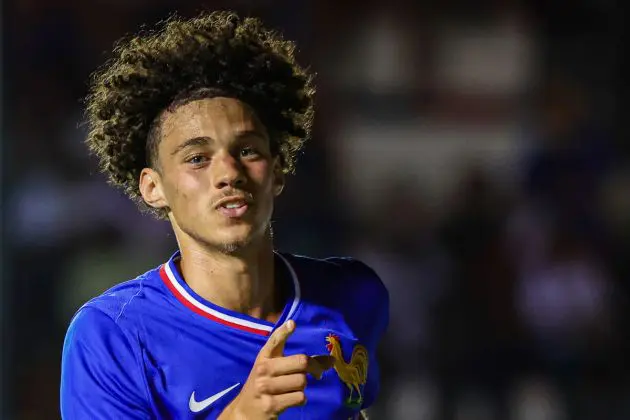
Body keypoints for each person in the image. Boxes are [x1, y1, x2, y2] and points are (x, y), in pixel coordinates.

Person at [60, 10, 389, 420]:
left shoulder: (353, 295)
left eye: (248, 150)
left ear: (278, 170)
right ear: (153, 187)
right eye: (197, 158)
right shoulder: (113, 335)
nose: (229, 173)